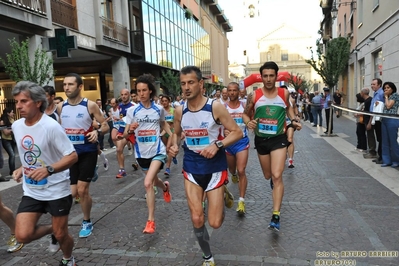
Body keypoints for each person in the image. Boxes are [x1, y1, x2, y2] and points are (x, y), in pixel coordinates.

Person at [168, 66, 242, 266]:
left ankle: (222, 193)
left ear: (200, 84)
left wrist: (217, 145)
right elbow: (176, 132)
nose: (186, 87)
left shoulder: (215, 107)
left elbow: (237, 132)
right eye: (183, 83)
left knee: (215, 223)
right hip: (192, 167)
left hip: (215, 168)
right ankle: (207, 256)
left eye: (191, 82)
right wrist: (174, 146)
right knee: (197, 217)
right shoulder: (179, 109)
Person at [11, 81, 78, 265]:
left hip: (57, 190)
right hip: (32, 190)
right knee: (22, 235)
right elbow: (31, 155)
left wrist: (49, 169)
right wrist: (22, 168)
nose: (18, 106)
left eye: (24, 101)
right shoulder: (17, 126)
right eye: (17, 101)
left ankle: (68, 258)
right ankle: (53, 230)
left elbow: (72, 156)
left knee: (62, 235)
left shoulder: (51, 127)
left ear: (38, 102)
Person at [242, 61, 301, 232]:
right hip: (261, 140)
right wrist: (249, 122)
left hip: (278, 139)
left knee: (277, 175)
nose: (268, 79)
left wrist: (294, 120)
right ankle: (274, 183)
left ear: (276, 76)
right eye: (265, 76)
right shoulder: (254, 95)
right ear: (261, 77)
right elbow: (245, 113)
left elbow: (289, 110)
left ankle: (276, 215)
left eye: (271, 76)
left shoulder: (283, 93)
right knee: (268, 175)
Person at [58, 73, 109, 238]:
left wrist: (97, 131)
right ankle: (89, 175)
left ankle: (86, 221)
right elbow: (59, 129)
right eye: (65, 84)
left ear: (80, 87)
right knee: (72, 193)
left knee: (82, 190)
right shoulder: (61, 107)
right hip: (70, 154)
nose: (66, 88)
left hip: (87, 152)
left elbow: (106, 125)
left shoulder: (90, 105)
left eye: (70, 84)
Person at [123, 74, 173, 234]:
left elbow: (164, 124)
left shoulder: (158, 109)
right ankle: (165, 187)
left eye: (144, 90)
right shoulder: (132, 111)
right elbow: (124, 134)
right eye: (138, 91)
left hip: (157, 150)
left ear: (150, 91)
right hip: (141, 153)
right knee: (154, 180)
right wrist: (130, 129)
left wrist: (172, 137)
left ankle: (151, 220)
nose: (141, 93)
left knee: (147, 183)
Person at [224, 82, 250, 215]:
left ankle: (241, 201)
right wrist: (224, 132)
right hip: (229, 144)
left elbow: (250, 119)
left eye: (235, 90)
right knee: (232, 169)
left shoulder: (244, 106)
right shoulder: (223, 108)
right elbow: (217, 125)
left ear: (239, 92)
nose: (232, 93)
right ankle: (233, 174)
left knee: (241, 170)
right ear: (227, 92)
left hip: (242, 142)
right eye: (230, 90)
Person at [112, 89, 137, 178]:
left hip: (132, 132)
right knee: (119, 149)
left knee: (138, 150)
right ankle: (122, 170)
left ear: (129, 95)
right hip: (123, 131)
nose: (123, 96)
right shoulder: (120, 106)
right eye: (122, 94)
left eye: (125, 94)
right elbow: (121, 118)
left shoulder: (134, 106)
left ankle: (139, 162)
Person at [365, 78, 384, 164]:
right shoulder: (376, 93)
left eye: (374, 84)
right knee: (379, 138)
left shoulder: (380, 94)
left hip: (378, 119)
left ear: (379, 85)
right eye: (371, 84)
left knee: (380, 138)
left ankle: (381, 156)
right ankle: (380, 156)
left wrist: (370, 122)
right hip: (375, 118)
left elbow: (377, 109)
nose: (372, 86)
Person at [380, 82, 399, 167]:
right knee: (385, 141)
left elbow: (388, 106)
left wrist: (386, 97)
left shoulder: (395, 95)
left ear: (392, 88)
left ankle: (396, 160)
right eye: (384, 88)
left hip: (392, 119)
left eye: (388, 88)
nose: (386, 89)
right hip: (384, 119)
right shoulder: (385, 97)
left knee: (393, 140)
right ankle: (386, 160)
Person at [160, 95, 177, 176]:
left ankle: (167, 168)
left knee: (168, 148)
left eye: (165, 101)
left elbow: (175, 122)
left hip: (171, 132)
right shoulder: (160, 111)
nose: (164, 102)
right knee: (166, 150)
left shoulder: (173, 110)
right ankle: (173, 156)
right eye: (162, 101)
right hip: (163, 133)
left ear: (169, 101)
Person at [0, 107, 16, 177]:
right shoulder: (2, 122)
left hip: (12, 139)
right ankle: (12, 171)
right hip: (6, 140)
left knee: (13, 155)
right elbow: (6, 132)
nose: (13, 113)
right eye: (12, 112)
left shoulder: (12, 120)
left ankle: (13, 171)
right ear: (8, 113)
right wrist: (14, 130)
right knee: (12, 155)